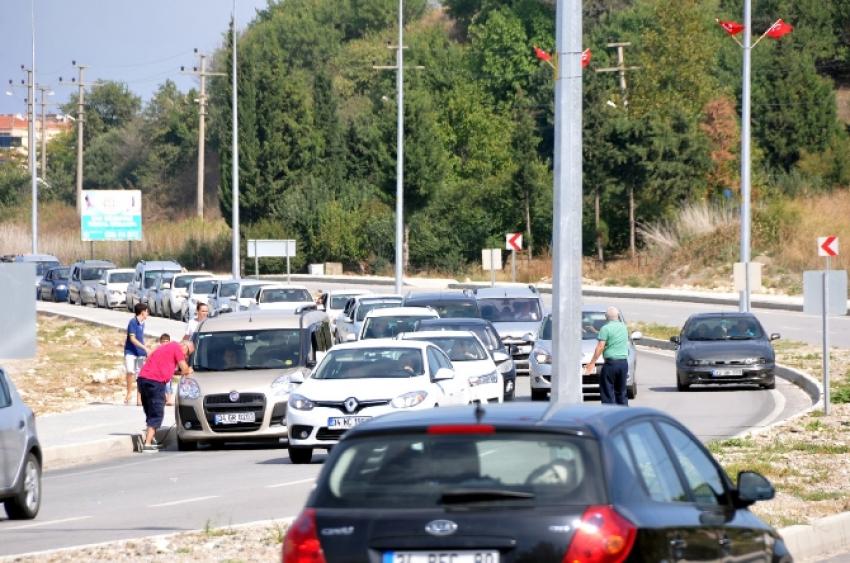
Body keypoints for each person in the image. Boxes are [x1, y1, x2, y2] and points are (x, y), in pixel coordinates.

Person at [137, 339, 194, 451]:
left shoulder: (167, 347)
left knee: (150, 409)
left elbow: (167, 367)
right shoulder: (177, 348)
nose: (186, 356)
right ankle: (147, 444)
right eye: (188, 353)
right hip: (155, 382)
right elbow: (184, 368)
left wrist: (180, 371)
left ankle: (151, 438)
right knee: (157, 412)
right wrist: (189, 370)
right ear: (185, 346)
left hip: (143, 379)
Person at [585, 307, 630, 406]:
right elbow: (613, 335)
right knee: (621, 392)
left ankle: (610, 414)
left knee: (607, 392)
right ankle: (624, 414)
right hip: (623, 363)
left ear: (606, 317)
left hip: (611, 364)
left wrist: (592, 363)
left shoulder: (605, 329)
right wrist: (597, 332)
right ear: (618, 316)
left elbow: (600, 346)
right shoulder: (623, 327)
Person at [123, 303, 150, 405]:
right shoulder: (133, 322)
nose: (148, 314)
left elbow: (140, 338)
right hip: (130, 351)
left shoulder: (143, 323)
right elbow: (132, 339)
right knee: (130, 370)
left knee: (140, 375)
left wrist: (144, 348)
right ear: (143, 312)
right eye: (147, 312)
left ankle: (139, 398)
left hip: (140, 353)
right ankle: (129, 393)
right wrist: (145, 347)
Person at [157, 333, 176, 405]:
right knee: (161, 386)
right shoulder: (158, 350)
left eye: (166, 341)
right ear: (160, 342)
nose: (165, 343)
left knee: (168, 386)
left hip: (168, 372)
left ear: (169, 342)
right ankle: (164, 398)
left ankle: (169, 400)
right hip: (160, 372)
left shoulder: (171, 351)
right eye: (163, 341)